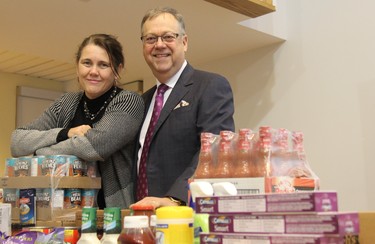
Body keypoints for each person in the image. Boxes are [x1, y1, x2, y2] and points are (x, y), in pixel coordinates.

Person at [10, 33, 145, 209]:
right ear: (77, 67)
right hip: (65, 213)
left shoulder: (129, 101)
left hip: (112, 214)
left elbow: (93, 147)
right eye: (87, 63)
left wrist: (40, 151)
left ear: (117, 70)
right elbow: (17, 142)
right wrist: (64, 133)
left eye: (103, 65)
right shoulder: (67, 102)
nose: (93, 71)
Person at [131, 7, 235, 208]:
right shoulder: (142, 101)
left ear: (184, 42)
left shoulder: (210, 86)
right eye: (151, 39)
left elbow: (215, 150)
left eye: (168, 37)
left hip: (185, 214)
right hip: (142, 215)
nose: (159, 45)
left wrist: (174, 199)